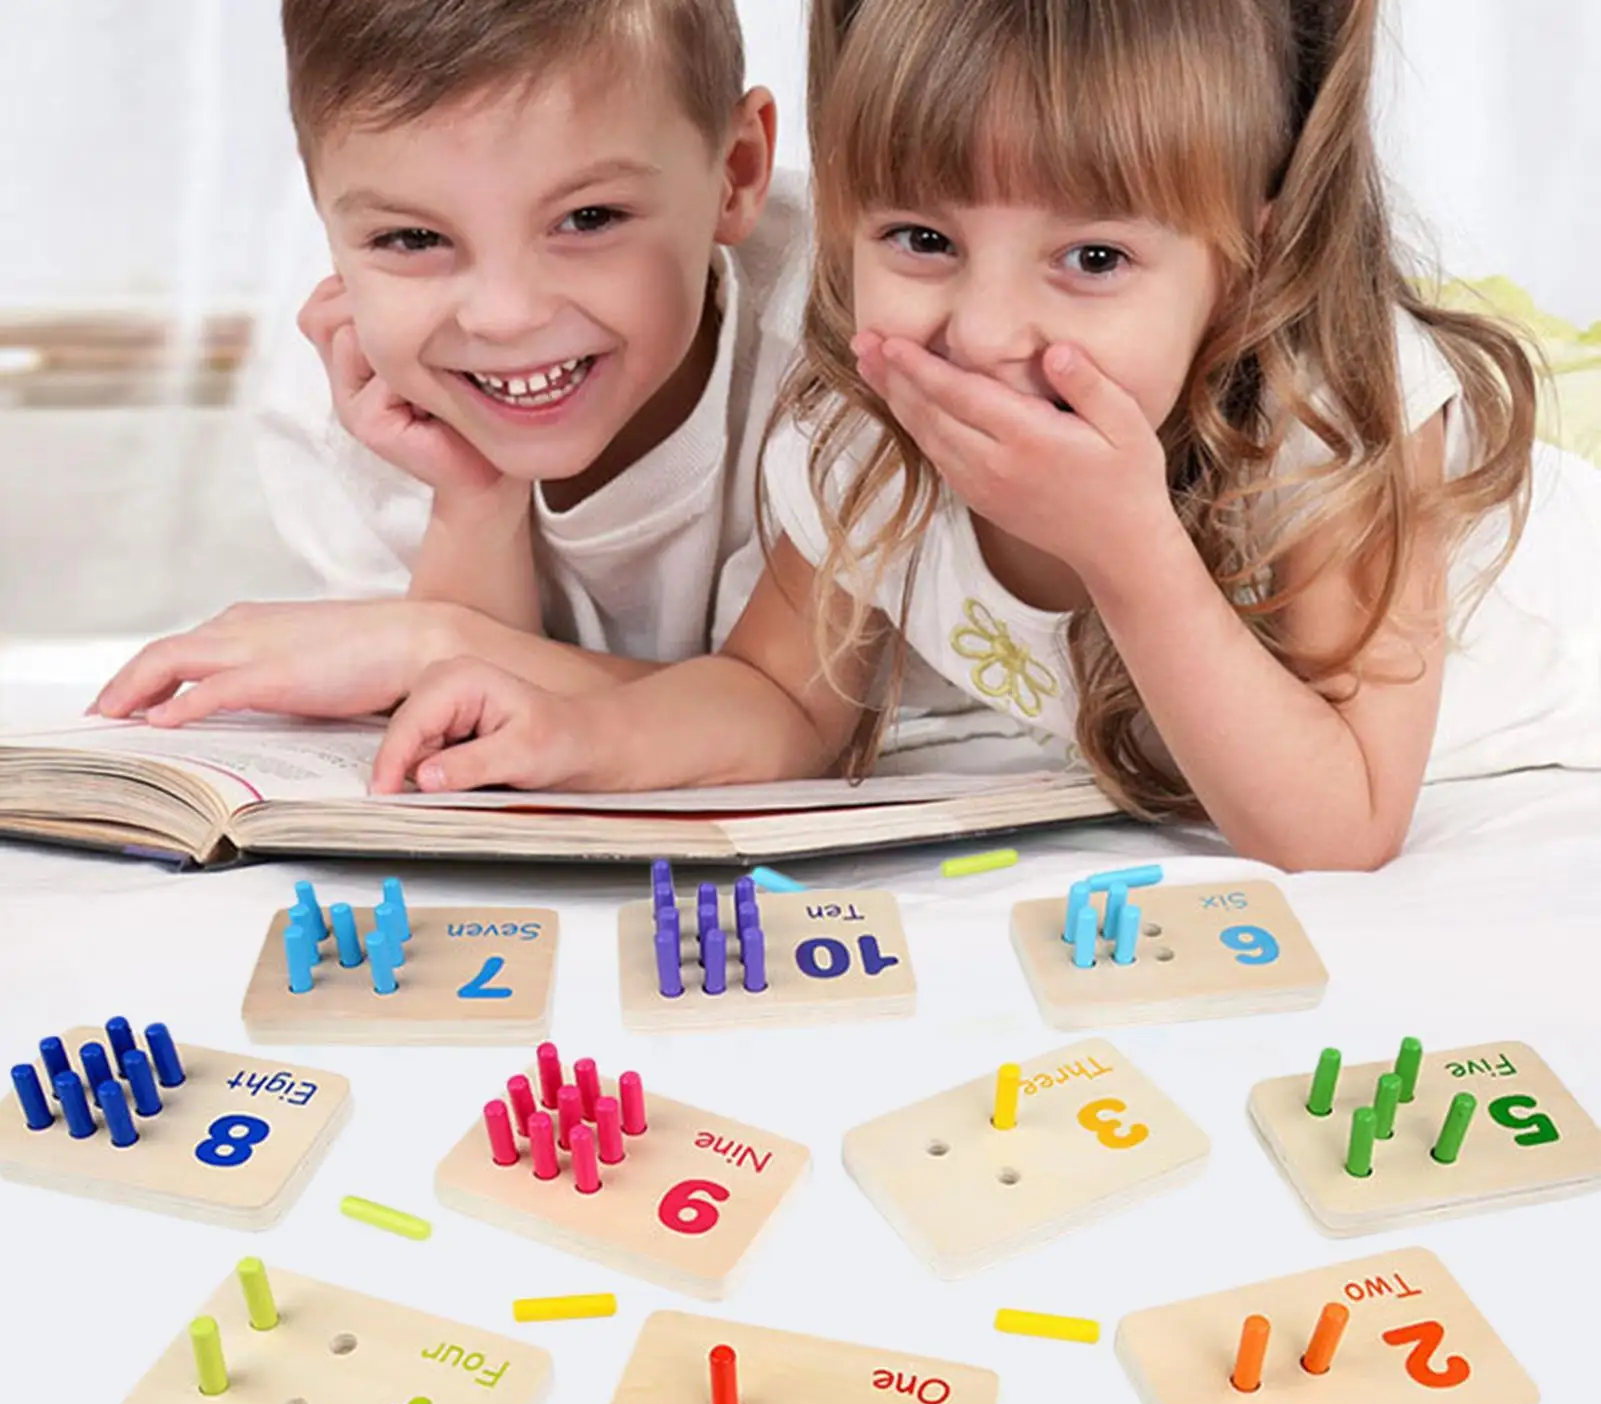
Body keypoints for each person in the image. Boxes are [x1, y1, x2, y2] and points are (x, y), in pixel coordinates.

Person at [374, 0, 1601, 872]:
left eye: (1093, 257)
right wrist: (586, 734)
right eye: (921, 239)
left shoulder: (1325, 416)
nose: (986, 328)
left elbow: (1338, 827)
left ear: (1247, 259)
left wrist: (1124, 542)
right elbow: (777, 700)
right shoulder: (871, 425)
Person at [92, 0, 803, 724]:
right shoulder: (346, 400)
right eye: (411, 239)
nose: (503, 316)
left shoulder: (835, 349)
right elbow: (479, 725)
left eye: (588, 219)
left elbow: (790, 720)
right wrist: (475, 507)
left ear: (736, 173)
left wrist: (431, 642)